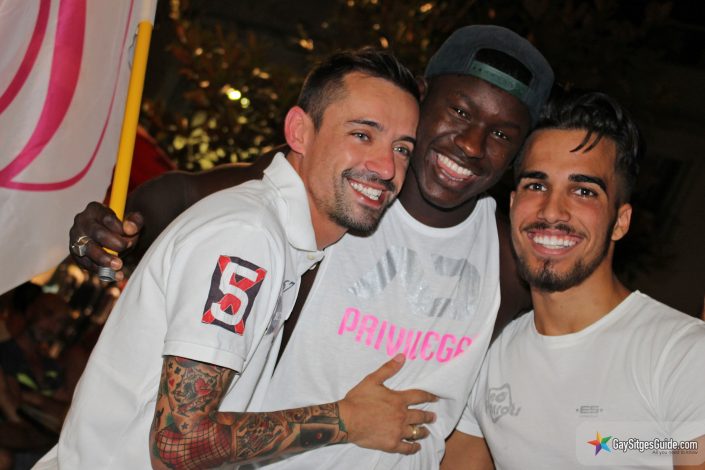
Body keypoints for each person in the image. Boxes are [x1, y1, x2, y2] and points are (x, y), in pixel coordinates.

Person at [68, 25, 555, 468]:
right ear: (424, 99)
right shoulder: (327, 192)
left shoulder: (507, 255)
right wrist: (119, 229)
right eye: (460, 112)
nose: (471, 144)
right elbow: (187, 197)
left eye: (500, 134)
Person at [37, 48, 439, 470]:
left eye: (402, 149)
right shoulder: (249, 238)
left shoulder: (280, 237)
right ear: (299, 132)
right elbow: (178, 444)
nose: (387, 167)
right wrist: (346, 420)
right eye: (362, 135)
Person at [441, 90, 705, 469]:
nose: (552, 210)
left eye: (583, 191)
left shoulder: (682, 356)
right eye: (536, 185)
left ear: (620, 221)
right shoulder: (488, 354)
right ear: (513, 205)